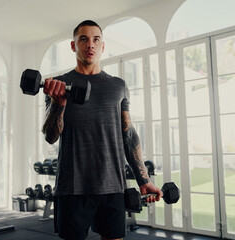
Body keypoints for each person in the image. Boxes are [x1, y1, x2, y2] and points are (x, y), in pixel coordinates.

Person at [42, 20, 163, 240]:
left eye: (96, 39)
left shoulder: (118, 86)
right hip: (73, 187)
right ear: (73, 46)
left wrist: (144, 181)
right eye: (84, 39)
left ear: (102, 46)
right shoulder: (59, 84)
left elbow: (129, 135)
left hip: (112, 186)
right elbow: (51, 136)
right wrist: (59, 103)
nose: (90, 45)